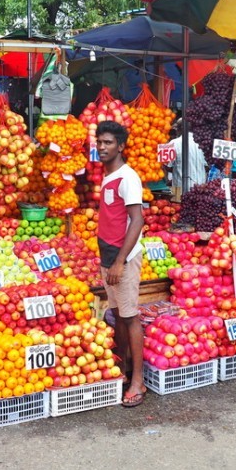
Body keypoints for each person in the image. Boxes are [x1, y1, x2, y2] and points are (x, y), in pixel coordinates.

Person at [96, 120, 146, 408]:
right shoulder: (107, 176)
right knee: (117, 316)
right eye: (100, 142)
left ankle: (137, 381)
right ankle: (123, 369)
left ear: (121, 146)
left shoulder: (128, 177)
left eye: (108, 143)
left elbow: (137, 220)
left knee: (130, 317)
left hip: (122, 258)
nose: (102, 147)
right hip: (108, 255)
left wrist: (118, 262)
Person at [166, 119, 207, 198]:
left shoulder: (172, 143)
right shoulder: (202, 142)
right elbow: (207, 167)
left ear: (180, 129)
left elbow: (166, 166)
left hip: (179, 190)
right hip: (200, 189)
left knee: (178, 209)